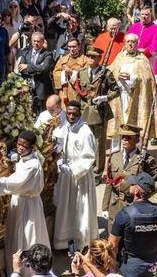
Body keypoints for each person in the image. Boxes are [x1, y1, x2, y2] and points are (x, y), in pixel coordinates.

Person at [0, 130, 49, 274]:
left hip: (27, 205)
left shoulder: (32, 165)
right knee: (17, 234)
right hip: (21, 201)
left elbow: (12, 183)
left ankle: (27, 271)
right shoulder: (27, 157)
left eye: (24, 145)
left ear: (33, 147)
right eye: (19, 144)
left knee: (26, 235)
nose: (20, 147)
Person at [109, 172, 157, 277]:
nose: (130, 185)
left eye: (132, 184)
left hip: (131, 267)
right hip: (155, 264)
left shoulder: (124, 215)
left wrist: (113, 267)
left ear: (136, 191)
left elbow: (112, 245)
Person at [52, 101, 98, 251]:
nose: (71, 116)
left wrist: (72, 169)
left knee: (80, 208)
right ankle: (65, 241)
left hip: (80, 177)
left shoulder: (85, 132)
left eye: (74, 114)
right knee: (66, 207)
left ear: (80, 114)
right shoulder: (66, 127)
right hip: (66, 174)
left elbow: (89, 158)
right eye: (69, 113)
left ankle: (81, 241)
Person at [102, 125, 157, 233]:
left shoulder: (145, 159)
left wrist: (145, 193)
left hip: (132, 206)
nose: (124, 140)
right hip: (115, 206)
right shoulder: (114, 157)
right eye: (123, 137)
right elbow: (109, 182)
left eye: (128, 137)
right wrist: (104, 206)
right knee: (113, 240)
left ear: (137, 139)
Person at [73, 47, 119, 180]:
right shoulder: (81, 73)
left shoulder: (105, 73)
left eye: (94, 57)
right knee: (84, 140)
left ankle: (97, 172)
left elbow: (116, 90)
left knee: (99, 143)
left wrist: (105, 98)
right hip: (84, 111)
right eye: (88, 56)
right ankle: (86, 167)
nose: (90, 59)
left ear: (99, 59)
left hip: (99, 112)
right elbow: (79, 93)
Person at [106, 33, 157, 146]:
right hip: (120, 96)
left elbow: (149, 78)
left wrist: (134, 78)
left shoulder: (142, 59)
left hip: (135, 96)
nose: (130, 44)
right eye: (128, 42)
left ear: (137, 44)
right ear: (124, 44)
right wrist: (117, 75)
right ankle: (117, 151)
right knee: (120, 123)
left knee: (133, 125)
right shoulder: (119, 57)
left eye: (133, 42)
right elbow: (110, 72)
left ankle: (134, 150)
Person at [17, 32, 54, 112]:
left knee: (42, 112)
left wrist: (28, 67)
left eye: (38, 41)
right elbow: (21, 68)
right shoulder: (25, 52)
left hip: (41, 88)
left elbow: (44, 68)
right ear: (31, 41)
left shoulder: (47, 54)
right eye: (34, 41)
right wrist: (37, 69)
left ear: (43, 42)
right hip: (27, 87)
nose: (36, 43)